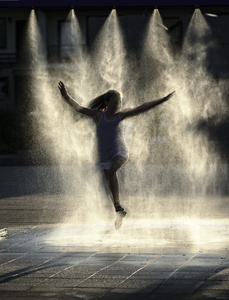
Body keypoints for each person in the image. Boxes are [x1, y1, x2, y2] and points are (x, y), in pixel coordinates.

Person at [58, 81, 175, 219]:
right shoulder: (97, 115)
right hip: (104, 155)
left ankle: (118, 205)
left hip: (120, 152)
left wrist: (163, 100)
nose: (117, 105)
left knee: (113, 171)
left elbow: (142, 107)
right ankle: (118, 209)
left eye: (119, 103)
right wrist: (65, 95)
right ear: (106, 103)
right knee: (110, 183)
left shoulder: (121, 115)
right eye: (114, 103)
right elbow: (78, 108)